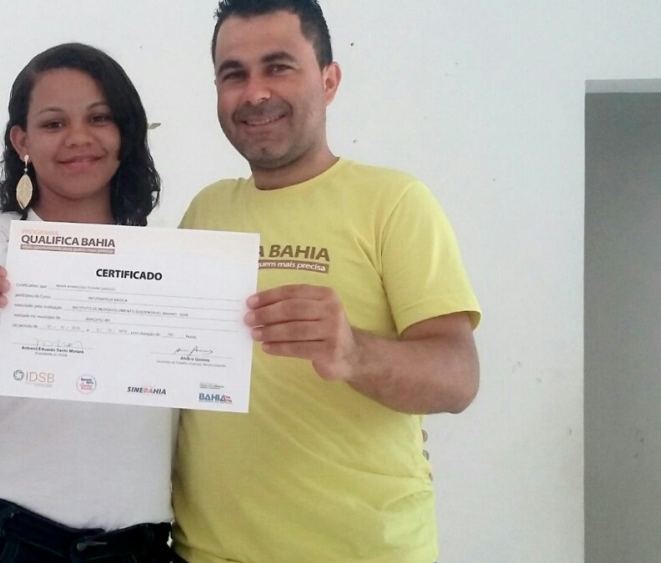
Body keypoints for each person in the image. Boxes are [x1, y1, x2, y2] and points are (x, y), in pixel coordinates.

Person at [171, 1, 482, 562]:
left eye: (278, 66)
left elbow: (458, 377)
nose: (255, 92)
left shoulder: (394, 202)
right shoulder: (205, 211)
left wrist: (354, 353)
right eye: (234, 74)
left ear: (329, 80)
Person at [0, 43, 176, 563]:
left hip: (136, 549)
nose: (78, 137)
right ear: (21, 140)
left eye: (99, 118)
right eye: (53, 123)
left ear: (126, 131)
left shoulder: (172, 261)